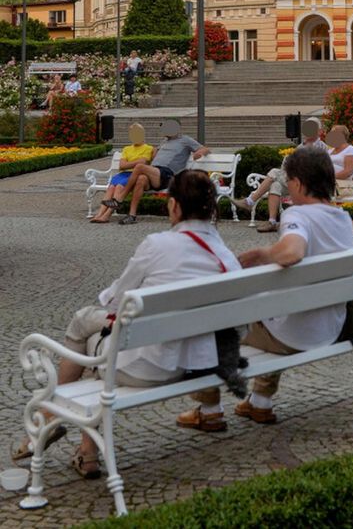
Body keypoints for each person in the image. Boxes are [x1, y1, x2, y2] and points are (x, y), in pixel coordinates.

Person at [13, 170, 241, 475]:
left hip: (149, 366)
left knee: (89, 332)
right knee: (94, 331)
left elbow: (113, 299)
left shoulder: (157, 245)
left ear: (173, 206)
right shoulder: (223, 252)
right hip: (195, 362)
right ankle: (83, 450)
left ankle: (52, 415)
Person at [177, 147, 353, 429]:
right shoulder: (343, 219)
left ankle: (208, 408)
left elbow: (292, 253)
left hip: (297, 333)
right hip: (332, 325)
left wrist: (262, 254)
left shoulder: (298, 214)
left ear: (296, 183)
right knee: (272, 306)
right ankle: (260, 403)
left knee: (208, 320)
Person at [104, 119, 209, 224]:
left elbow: (205, 149)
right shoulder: (164, 142)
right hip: (155, 173)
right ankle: (132, 215)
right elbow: (155, 155)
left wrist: (198, 153)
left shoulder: (185, 139)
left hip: (168, 174)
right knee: (141, 179)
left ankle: (119, 199)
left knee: (140, 167)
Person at [231, 117, 327, 233]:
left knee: (274, 172)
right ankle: (271, 221)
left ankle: (250, 201)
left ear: (319, 131)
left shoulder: (321, 147)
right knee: (275, 184)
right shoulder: (301, 146)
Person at [90, 123, 156, 223]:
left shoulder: (148, 148)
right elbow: (122, 166)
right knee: (111, 187)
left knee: (119, 187)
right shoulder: (126, 149)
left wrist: (129, 163)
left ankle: (107, 215)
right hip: (122, 174)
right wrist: (135, 162)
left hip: (134, 175)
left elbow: (143, 163)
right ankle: (100, 214)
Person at [326, 124, 353, 200]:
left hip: (340, 184)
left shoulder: (350, 150)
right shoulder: (330, 150)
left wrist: (328, 178)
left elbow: (348, 172)